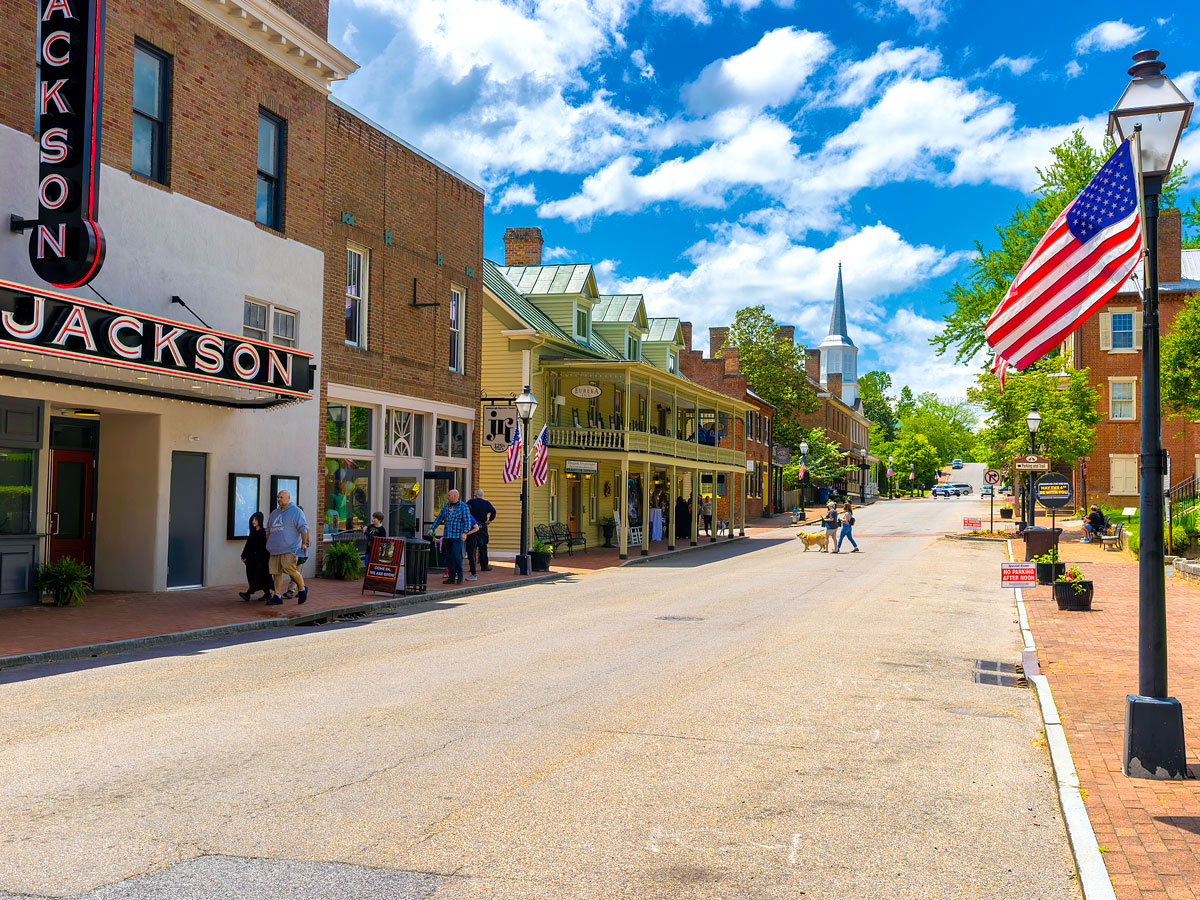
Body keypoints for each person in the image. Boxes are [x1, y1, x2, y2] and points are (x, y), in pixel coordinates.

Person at [266, 489, 309, 606]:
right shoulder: (274, 513)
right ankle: (277, 596)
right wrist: (268, 544)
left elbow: (303, 528)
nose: (279, 499)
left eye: (281, 497)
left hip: (289, 548)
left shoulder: (296, 512)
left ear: (288, 498)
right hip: (275, 549)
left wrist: (304, 543)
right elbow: (268, 530)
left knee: (291, 571)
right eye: (278, 497)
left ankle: (302, 589)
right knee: (276, 573)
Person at [430, 488, 478, 585]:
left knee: (456, 555)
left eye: (449, 495)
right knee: (449, 557)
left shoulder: (463, 506)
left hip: (457, 536)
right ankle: (451, 577)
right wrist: (432, 528)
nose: (447, 497)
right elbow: (439, 517)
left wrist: (465, 533)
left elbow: (467, 521)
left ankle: (460, 576)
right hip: (447, 535)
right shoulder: (446, 506)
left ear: (455, 496)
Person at [239, 512, 273, 601]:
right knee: (254, 576)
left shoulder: (264, 532)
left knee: (258, 576)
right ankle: (267, 594)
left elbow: (266, 546)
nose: (253, 521)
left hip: (262, 560)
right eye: (253, 519)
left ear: (260, 520)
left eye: (255, 519)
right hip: (252, 560)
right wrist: (244, 555)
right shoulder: (253, 532)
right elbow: (248, 545)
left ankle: (248, 594)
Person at [466, 489, 497, 580]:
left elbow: (466, 511)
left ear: (475, 495)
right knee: (483, 547)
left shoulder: (470, 502)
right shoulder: (486, 503)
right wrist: (490, 520)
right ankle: (484, 566)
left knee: (472, 548)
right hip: (482, 526)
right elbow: (494, 511)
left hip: (472, 526)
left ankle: (472, 566)